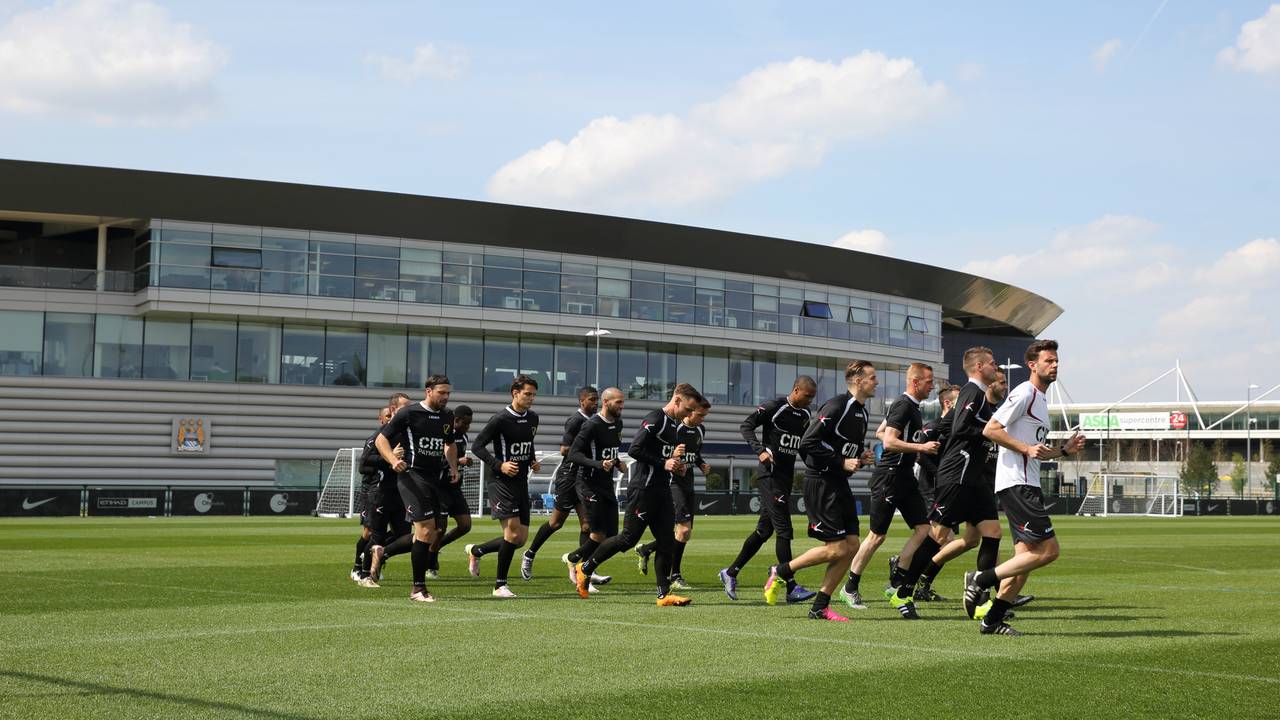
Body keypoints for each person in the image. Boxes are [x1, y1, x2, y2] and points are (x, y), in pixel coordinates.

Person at [966, 340, 1085, 635]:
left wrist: (1065, 451)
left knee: (1023, 563)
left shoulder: (1041, 400)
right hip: (1016, 484)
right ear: (1032, 365)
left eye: (1056, 361)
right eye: (1049, 361)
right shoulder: (1024, 393)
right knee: (1049, 551)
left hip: (1026, 482)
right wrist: (1024, 448)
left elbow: (1036, 451)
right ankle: (980, 580)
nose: (1054, 365)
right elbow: (990, 429)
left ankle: (992, 620)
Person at [764, 360, 877, 622]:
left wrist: (860, 456)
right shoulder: (838, 405)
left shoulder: (862, 412)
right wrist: (840, 461)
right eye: (872, 378)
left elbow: (843, 450)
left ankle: (820, 606)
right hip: (821, 483)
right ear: (858, 381)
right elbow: (808, 443)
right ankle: (781, 571)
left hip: (839, 482)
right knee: (837, 548)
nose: (877, 383)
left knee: (851, 546)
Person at [574, 384, 702, 606]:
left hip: (662, 490)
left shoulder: (674, 424)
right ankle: (585, 568)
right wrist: (665, 462)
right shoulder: (655, 419)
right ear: (677, 400)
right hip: (643, 490)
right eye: (688, 409)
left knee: (666, 542)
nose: (689, 414)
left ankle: (663, 595)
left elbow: (661, 456)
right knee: (627, 539)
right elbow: (635, 450)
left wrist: (677, 465)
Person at [900, 347, 1001, 619]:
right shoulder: (972, 392)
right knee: (940, 536)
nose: (996, 367)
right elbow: (961, 428)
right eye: (992, 363)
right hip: (958, 472)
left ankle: (980, 596)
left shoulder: (979, 396)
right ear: (979, 366)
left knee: (992, 532)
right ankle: (903, 591)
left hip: (974, 477)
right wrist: (990, 432)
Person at [840, 362, 940, 613]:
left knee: (923, 528)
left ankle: (897, 582)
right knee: (876, 536)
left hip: (905, 477)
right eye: (929, 382)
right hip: (890, 477)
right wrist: (920, 448)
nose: (933, 386)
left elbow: (881, 432)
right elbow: (890, 441)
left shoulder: (913, 408)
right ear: (915, 382)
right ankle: (849, 587)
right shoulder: (904, 405)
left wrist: (905, 447)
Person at [719, 376, 818, 603]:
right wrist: (760, 450)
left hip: (785, 479)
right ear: (795, 390)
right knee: (784, 530)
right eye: (807, 396)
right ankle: (791, 587)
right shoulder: (775, 407)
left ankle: (731, 572)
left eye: (812, 397)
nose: (810, 401)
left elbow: (801, 447)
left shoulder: (804, 415)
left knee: (764, 531)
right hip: (769, 476)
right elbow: (746, 426)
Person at [375, 376, 459, 603]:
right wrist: (393, 460)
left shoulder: (447, 416)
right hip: (412, 476)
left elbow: (450, 443)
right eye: (441, 392)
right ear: (428, 391)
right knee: (425, 530)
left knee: (431, 532)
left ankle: (384, 552)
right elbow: (381, 440)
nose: (446, 397)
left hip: (435, 479)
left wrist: (453, 467)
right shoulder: (409, 413)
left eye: (448, 393)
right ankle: (418, 589)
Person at [465, 375, 541, 598]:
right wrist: (500, 465)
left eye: (533, 394)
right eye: (527, 394)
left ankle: (477, 551)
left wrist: (533, 461)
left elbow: (529, 444)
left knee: (520, 539)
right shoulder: (500, 419)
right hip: (500, 482)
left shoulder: (533, 418)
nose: (531, 398)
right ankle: (500, 585)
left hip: (520, 483)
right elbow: (478, 447)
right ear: (515, 393)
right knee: (512, 533)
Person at [521, 387, 597, 580]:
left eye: (597, 399)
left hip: (584, 477)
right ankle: (529, 554)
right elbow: (565, 450)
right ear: (582, 402)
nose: (595, 403)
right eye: (591, 400)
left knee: (587, 525)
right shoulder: (576, 421)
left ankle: (583, 569)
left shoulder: (595, 422)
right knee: (556, 523)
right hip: (569, 476)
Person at [636, 396, 712, 590]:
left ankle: (646, 549)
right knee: (683, 531)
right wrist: (671, 458)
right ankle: (674, 575)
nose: (702, 419)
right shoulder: (674, 427)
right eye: (700, 415)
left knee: (682, 533)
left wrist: (701, 463)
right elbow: (663, 452)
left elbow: (695, 454)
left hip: (688, 483)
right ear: (690, 410)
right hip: (672, 483)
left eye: (705, 416)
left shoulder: (700, 430)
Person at [562, 387, 628, 592]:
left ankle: (574, 559)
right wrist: (599, 464)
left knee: (613, 536)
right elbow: (573, 454)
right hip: (588, 483)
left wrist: (617, 462)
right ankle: (585, 573)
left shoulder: (618, 423)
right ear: (606, 402)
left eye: (622, 402)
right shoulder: (591, 425)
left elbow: (609, 451)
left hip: (606, 484)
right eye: (618, 402)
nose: (622, 406)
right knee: (598, 534)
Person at [363, 394, 413, 584]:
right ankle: (364, 573)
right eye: (404, 407)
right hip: (380, 492)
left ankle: (381, 555)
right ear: (393, 410)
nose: (408, 410)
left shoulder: (408, 433)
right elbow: (365, 463)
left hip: (401, 493)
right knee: (376, 536)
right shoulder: (381, 435)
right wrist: (390, 457)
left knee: (405, 538)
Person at [352, 403, 400, 586]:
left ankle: (375, 554)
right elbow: (363, 466)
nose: (389, 419)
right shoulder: (375, 439)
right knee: (369, 532)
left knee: (399, 534)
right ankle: (358, 567)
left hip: (395, 491)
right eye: (386, 416)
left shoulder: (400, 436)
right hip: (373, 490)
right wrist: (390, 459)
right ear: (381, 419)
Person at [425, 404, 475, 578]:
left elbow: (458, 458)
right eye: (465, 423)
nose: (467, 427)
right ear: (456, 420)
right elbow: (435, 462)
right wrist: (456, 462)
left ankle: (435, 549)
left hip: (455, 488)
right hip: (440, 488)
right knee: (439, 529)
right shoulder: (443, 435)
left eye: (469, 424)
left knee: (465, 525)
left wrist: (464, 462)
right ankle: (430, 563)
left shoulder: (464, 437)